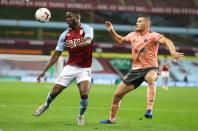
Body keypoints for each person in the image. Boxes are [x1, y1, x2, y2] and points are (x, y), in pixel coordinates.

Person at [100, 14, 184, 124]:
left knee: (151, 78)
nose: (136, 23)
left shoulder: (153, 35)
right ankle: (111, 120)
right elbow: (120, 40)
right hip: (135, 71)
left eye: (139, 21)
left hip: (151, 68)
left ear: (147, 24)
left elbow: (167, 41)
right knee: (117, 96)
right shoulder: (132, 35)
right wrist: (111, 30)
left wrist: (172, 51)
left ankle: (149, 109)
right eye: (136, 21)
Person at [33, 11, 94, 126]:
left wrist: (75, 44)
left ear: (77, 17)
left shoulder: (87, 28)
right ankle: (46, 104)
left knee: (84, 94)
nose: (67, 19)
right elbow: (56, 55)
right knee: (54, 92)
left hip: (84, 68)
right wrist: (43, 71)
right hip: (70, 67)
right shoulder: (64, 35)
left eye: (69, 17)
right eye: (66, 18)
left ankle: (81, 116)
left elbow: (88, 41)